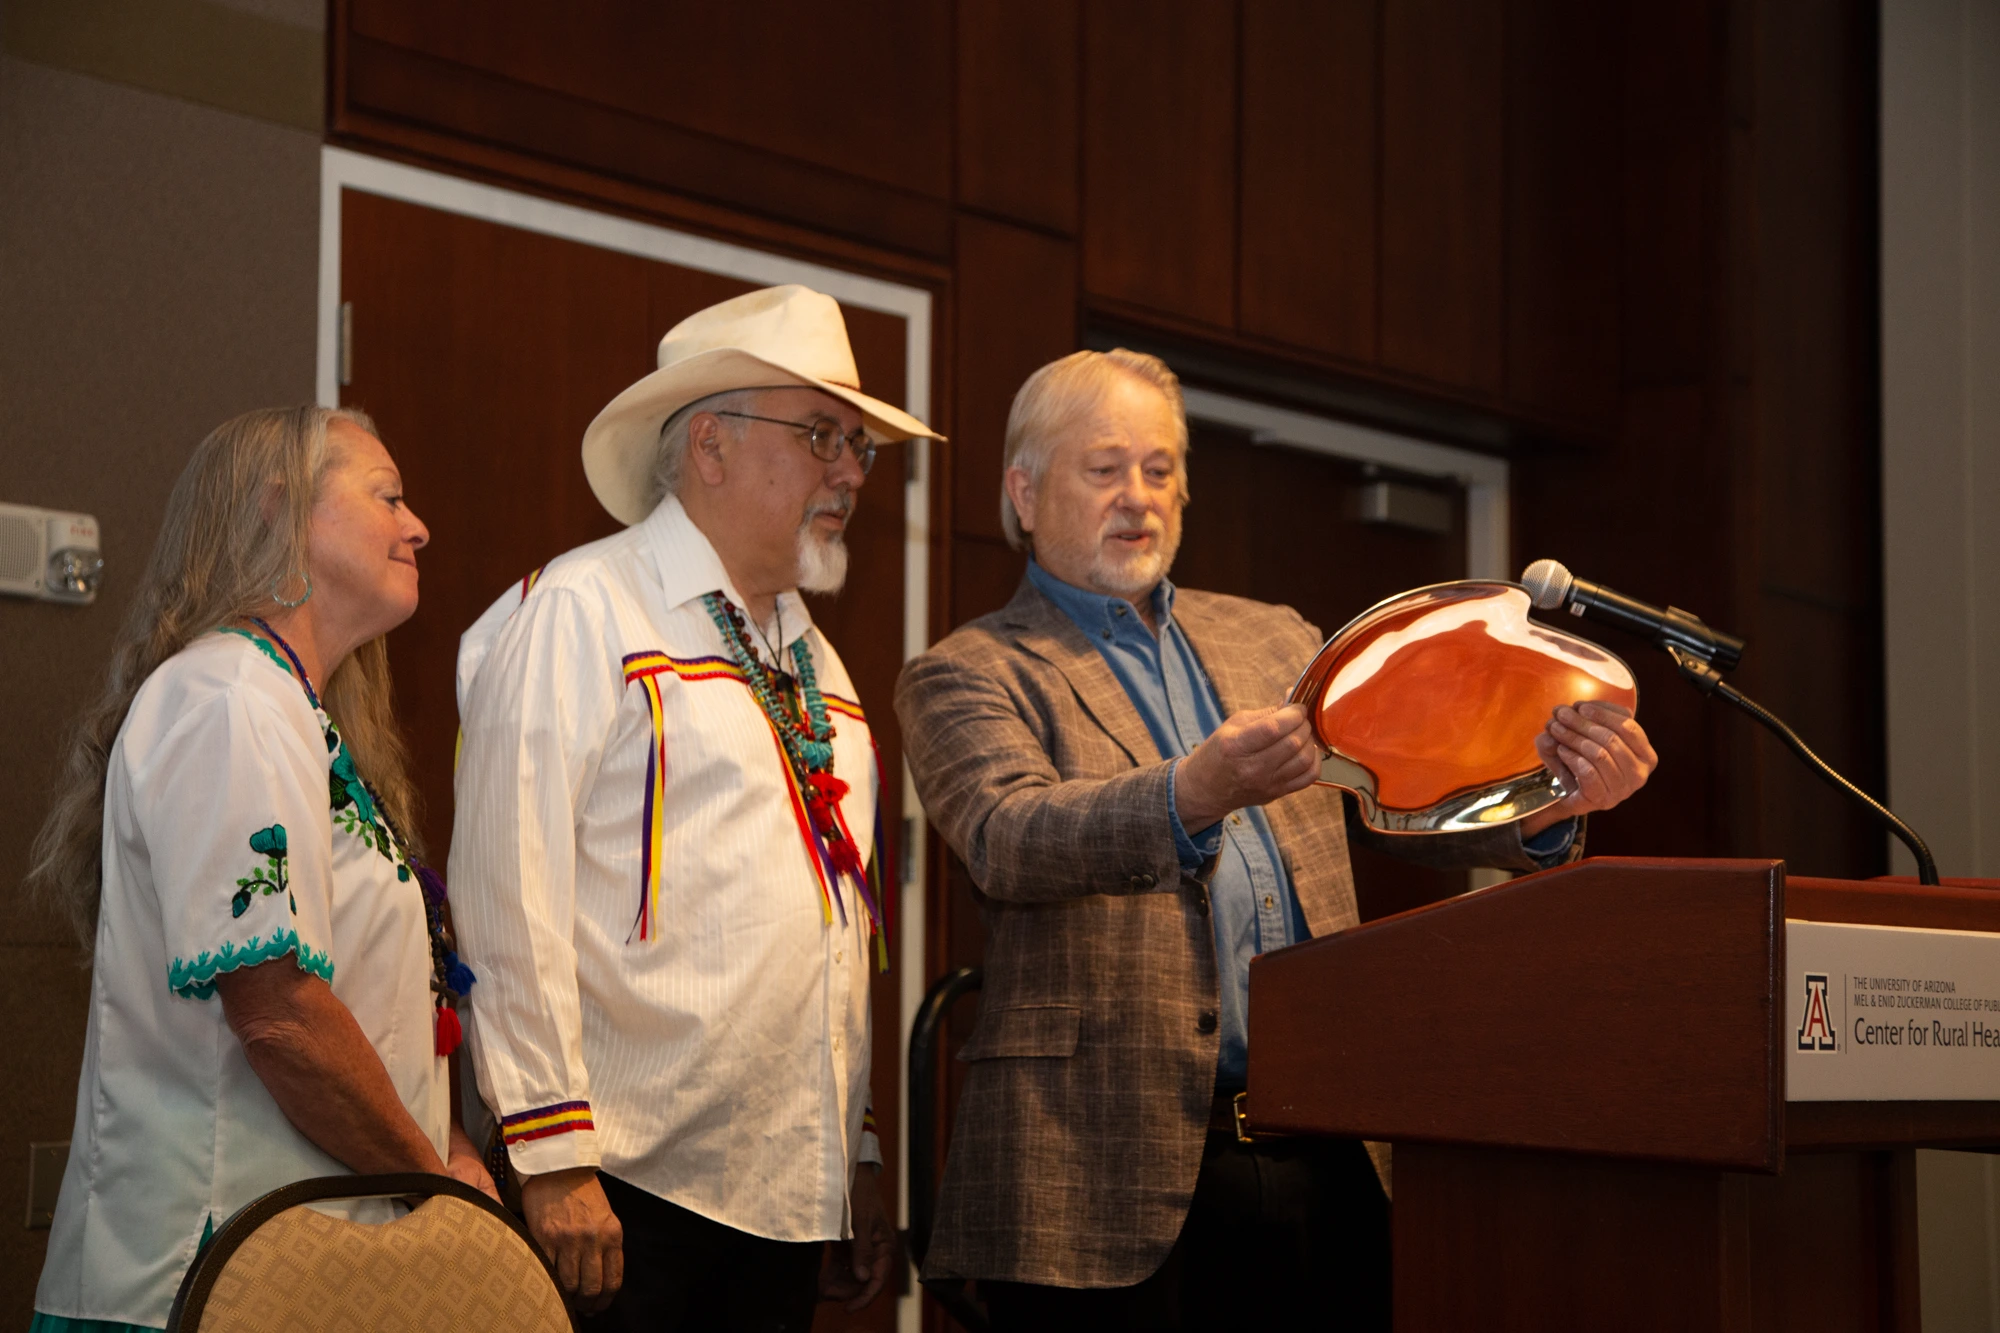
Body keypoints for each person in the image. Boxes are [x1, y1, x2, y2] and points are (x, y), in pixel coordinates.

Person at [895, 350, 1659, 1331]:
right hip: (1099, 1167)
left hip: (1329, 1146)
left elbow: (1392, 805)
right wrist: (1193, 792)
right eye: (1104, 469)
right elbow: (1009, 837)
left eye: (1160, 469)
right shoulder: (969, 670)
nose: (1138, 497)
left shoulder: (1276, 640)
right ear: (1024, 491)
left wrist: (1548, 810)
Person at [450, 284, 942, 1330]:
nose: (852, 473)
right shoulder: (582, 609)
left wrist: (851, 1153)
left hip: (781, 1199)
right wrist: (550, 1153)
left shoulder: (817, 664)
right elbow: (507, 891)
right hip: (621, 1191)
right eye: (822, 436)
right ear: (710, 444)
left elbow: (830, 929)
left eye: (859, 446)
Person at [27, 406, 494, 1332]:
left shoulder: (287, 708)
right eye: (387, 497)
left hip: (290, 1271)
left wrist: (446, 1145)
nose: (418, 527)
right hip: (198, 1283)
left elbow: (373, 1001)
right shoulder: (229, 697)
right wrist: (437, 1191)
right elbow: (283, 1017)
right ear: (281, 510)